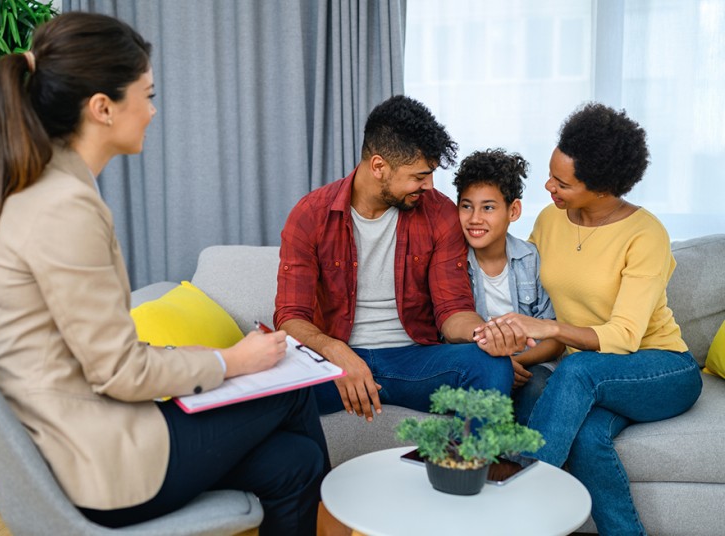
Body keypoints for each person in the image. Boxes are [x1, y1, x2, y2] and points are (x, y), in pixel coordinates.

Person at [0, 12, 328, 534]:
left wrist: (198, 358)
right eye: (147, 95)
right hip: (101, 466)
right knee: (290, 384)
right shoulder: (65, 208)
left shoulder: (19, 194)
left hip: (73, 448)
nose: (153, 112)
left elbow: (86, 353)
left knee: (295, 463)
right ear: (103, 108)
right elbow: (119, 372)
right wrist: (231, 361)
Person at [476, 103, 702, 535]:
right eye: (550, 174)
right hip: (594, 373)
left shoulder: (645, 234)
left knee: (577, 370)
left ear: (602, 188)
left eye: (562, 183)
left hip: (662, 368)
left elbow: (625, 335)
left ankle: (515, 506)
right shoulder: (550, 219)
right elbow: (529, 298)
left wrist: (554, 329)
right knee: (583, 435)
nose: (548, 188)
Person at [274, 95, 523, 422]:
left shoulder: (438, 212)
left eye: (430, 174)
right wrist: (337, 353)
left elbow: (452, 311)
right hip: (336, 362)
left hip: (414, 362)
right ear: (379, 166)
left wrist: (485, 335)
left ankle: (469, 472)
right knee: (270, 382)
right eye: (419, 176)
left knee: (490, 364)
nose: (429, 185)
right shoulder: (310, 215)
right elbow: (291, 317)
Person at [452, 149, 564, 425]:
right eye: (466, 206)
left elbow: (555, 339)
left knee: (537, 388)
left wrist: (517, 362)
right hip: (477, 365)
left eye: (488, 207)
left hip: (529, 364)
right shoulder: (451, 263)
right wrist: (497, 367)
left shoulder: (531, 259)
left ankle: (519, 465)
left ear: (513, 210)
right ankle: (475, 463)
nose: (475, 218)